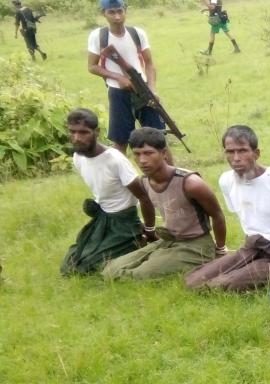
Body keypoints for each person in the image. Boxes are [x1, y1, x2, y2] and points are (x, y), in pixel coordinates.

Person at [185, 125, 270, 291]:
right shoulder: (226, 180)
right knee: (194, 280)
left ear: (256, 153)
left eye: (242, 151)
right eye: (230, 151)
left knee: (221, 285)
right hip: (251, 245)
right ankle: (250, 264)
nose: (236, 158)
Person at [102, 128, 227, 281]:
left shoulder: (190, 183)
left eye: (148, 153)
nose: (142, 160)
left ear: (164, 153)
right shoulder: (145, 182)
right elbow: (145, 203)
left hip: (196, 245)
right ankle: (162, 258)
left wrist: (220, 251)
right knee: (110, 270)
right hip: (169, 240)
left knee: (137, 275)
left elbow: (217, 215)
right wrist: (149, 231)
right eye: (137, 154)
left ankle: (199, 260)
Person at [62, 108, 156, 276]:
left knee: (89, 266)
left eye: (83, 132)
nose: (77, 138)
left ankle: (140, 244)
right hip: (103, 219)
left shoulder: (115, 160)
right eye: (73, 132)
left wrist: (149, 231)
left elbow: (144, 196)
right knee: (71, 262)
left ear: (96, 132)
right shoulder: (78, 157)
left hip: (125, 223)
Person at [86, 0, 165, 155]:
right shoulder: (99, 36)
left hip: (142, 89)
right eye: (112, 12)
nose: (117, 17)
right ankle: (119, 178)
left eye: (120, 11)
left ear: (125, 10)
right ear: (104, 13)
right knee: (120, 142)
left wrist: (152, 89)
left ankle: (170, 177)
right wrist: (117, 77)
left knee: (158, 138)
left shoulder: (137, 33)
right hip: (118, 93)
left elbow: (149, 64)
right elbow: (92, 66)